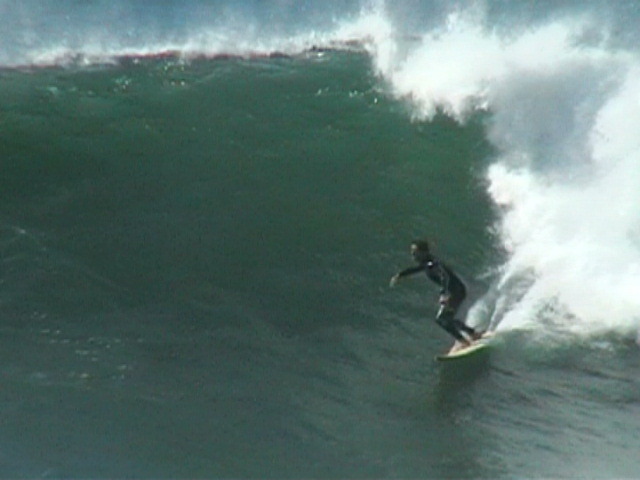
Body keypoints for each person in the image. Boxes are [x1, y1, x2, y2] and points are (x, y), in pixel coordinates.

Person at [390, 239, 482, 348]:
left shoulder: (434, 263)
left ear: (423, 252)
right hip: (455, 290)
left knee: (442, 319)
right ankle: (472, 334)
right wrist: (400, 275)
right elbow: (417, 269)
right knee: (445, 319)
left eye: (415, 252)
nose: (413, 255)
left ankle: (465, 341)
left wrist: (445, 294)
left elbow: (445, 276)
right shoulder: (427, 263)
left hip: (456, 291)